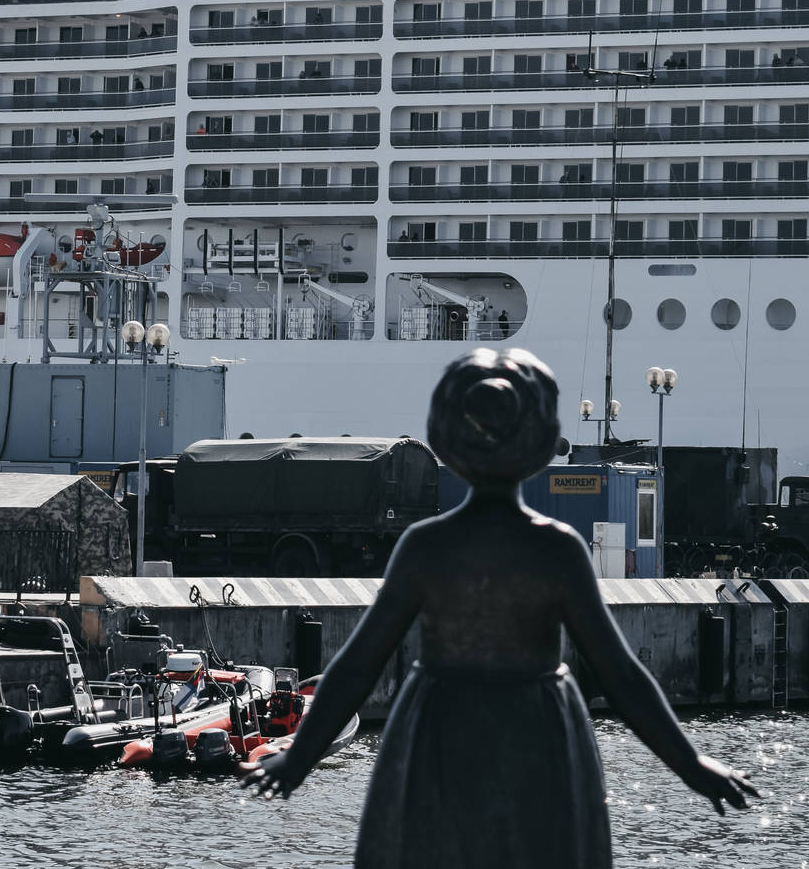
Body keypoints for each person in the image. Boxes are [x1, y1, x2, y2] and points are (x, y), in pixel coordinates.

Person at [241, 348, 758, 865]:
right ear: (537, 440)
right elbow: (619, 674)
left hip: (441, 727)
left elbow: (359, 663)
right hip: (538, 730)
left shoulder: (427, 546)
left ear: (446, 437)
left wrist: (299, 758)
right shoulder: (556, 549)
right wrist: (690, 764)